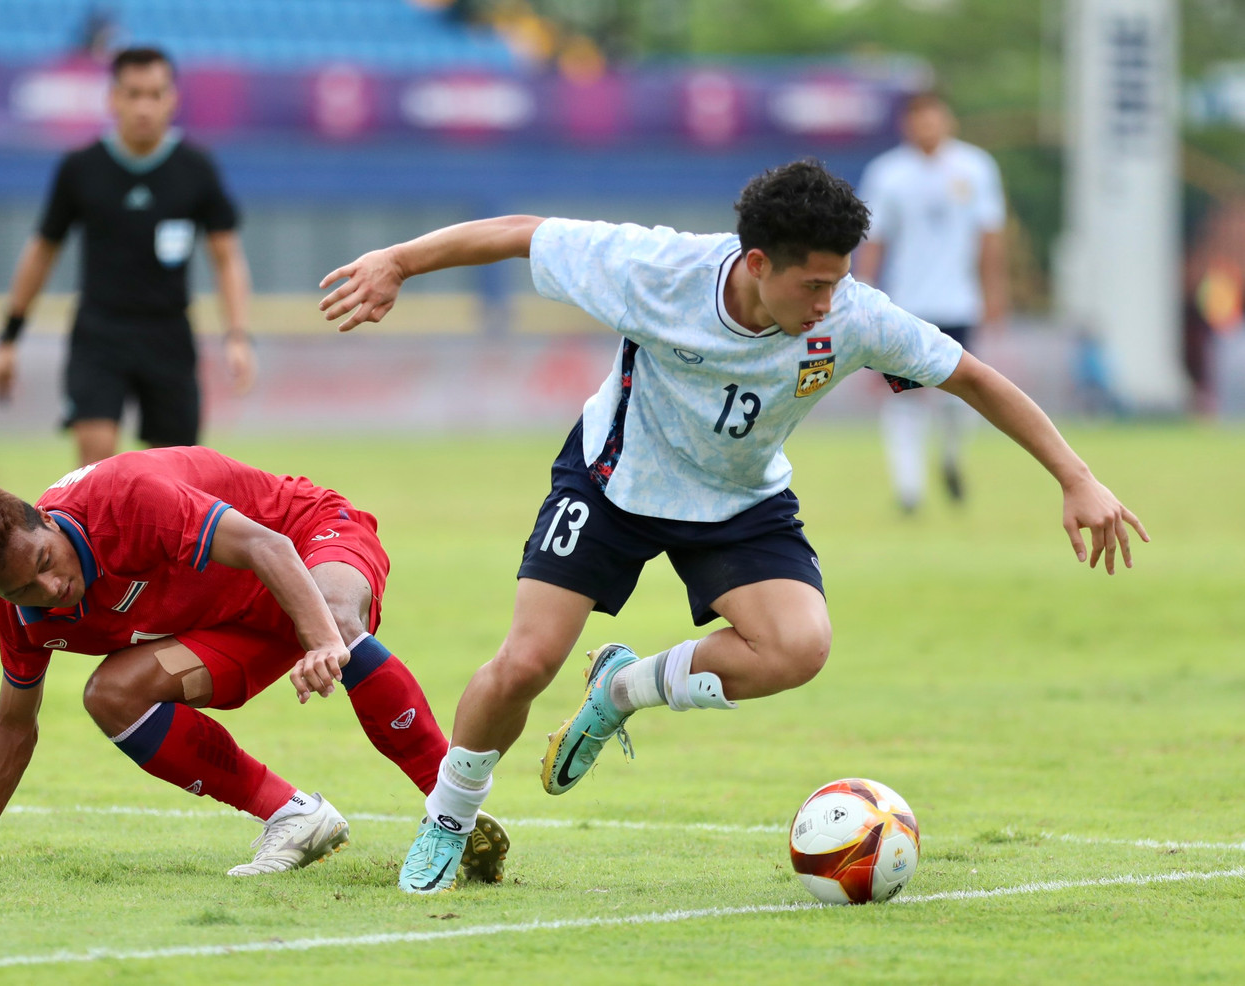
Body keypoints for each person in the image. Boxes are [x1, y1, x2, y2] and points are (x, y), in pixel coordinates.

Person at [316, 159, 1148, 894]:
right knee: (526, 663)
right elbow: (520, 232)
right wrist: (399, 261)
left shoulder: (854, 316)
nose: (827, 303)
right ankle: (450, 819)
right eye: (812, 285)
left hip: (739, 501)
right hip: (613, 482)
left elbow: (973, 378)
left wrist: (1076, 477)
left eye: (837, 283)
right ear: (756, 263)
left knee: (798, 647)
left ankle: (622, 690)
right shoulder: (657, 270)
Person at [0, 446, 509, 880]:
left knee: (337, 621)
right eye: (23, 589)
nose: (50, 588)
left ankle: (452, 817)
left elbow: (268, 545)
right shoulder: (24, 616)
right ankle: (294, 817)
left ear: (46, 519)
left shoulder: (125, 499)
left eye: (46, 561)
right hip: (234, 623)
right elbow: (14, 722)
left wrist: (323, 640)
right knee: (110, 695)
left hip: (306, 537)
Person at [0, 46, 256, 467]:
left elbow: (227, 257)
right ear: (113, 98)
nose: (144, 107)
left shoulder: (196, 169)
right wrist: (9, 337)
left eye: (155, 94)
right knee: (95, 462)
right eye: (133, 94)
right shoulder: (81, 168)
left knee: (176, 472)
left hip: (168, 334)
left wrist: (237, 336)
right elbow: (42, 250)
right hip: (100, 332)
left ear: (172, 99)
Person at [855, 91, 1008, 512]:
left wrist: (994, 293)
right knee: (904, 395)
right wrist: (864, 289)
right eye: (918, 119)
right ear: (907, 125)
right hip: (907, 305)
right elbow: (874, 239)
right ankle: (909, 491)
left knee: (960, 396)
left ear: (948, 120)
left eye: (933, 118)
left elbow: (989, 236)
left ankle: (951, 458)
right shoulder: (888, 173)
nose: (926, 127)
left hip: (958, 303)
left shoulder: (975, 167)